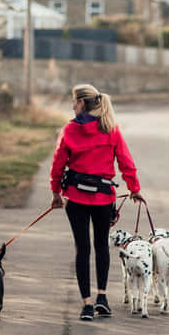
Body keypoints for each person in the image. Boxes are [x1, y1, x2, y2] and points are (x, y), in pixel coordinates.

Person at [50, 84, 144, 321]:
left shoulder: (70, 130)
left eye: (74, 101)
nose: (73, 106)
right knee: (101, 246)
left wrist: (56, 193)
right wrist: (134, 189)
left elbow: (58, 164)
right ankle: (102, 297)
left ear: (81, 103)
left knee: (82, 249)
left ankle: (87, 304)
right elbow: (125, 161)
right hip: (103, 198)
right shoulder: (110, 129)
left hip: (76, 198)